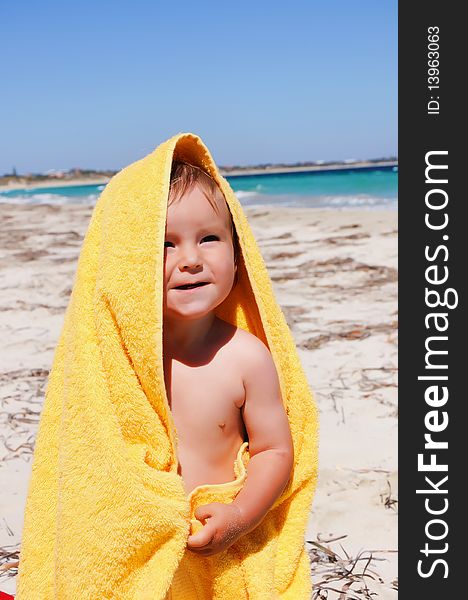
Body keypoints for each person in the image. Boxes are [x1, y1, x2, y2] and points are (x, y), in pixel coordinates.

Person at [163, 161, 294, 557]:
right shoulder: (119, 362)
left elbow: (274, 451)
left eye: (208, 238)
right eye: (165, 244)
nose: (190, 259)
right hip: (145, 551)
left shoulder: (246, 358)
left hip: (219, 552)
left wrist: (240, 515)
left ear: (238, 257)